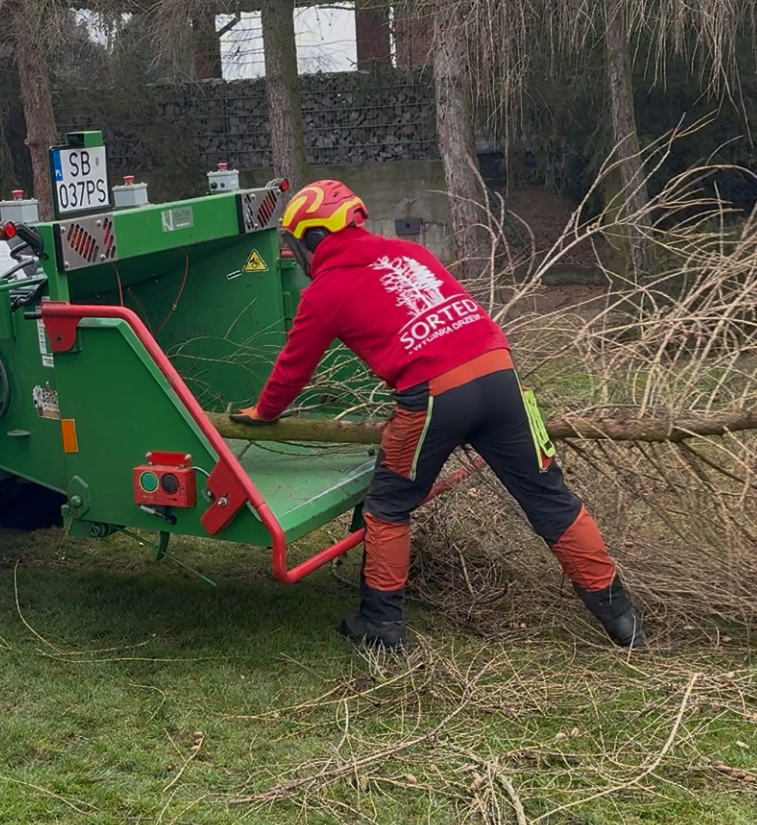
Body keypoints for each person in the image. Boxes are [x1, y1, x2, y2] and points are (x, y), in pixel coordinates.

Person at [232, 180, 642, 651]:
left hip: (434, 394)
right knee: (550, 498)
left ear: (314, 239)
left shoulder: (325, 292)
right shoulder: (411, 254)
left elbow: (293, 368)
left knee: (387, 506)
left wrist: (265, 412)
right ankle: (621, 617)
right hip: (501, 375)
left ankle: (381, 626)